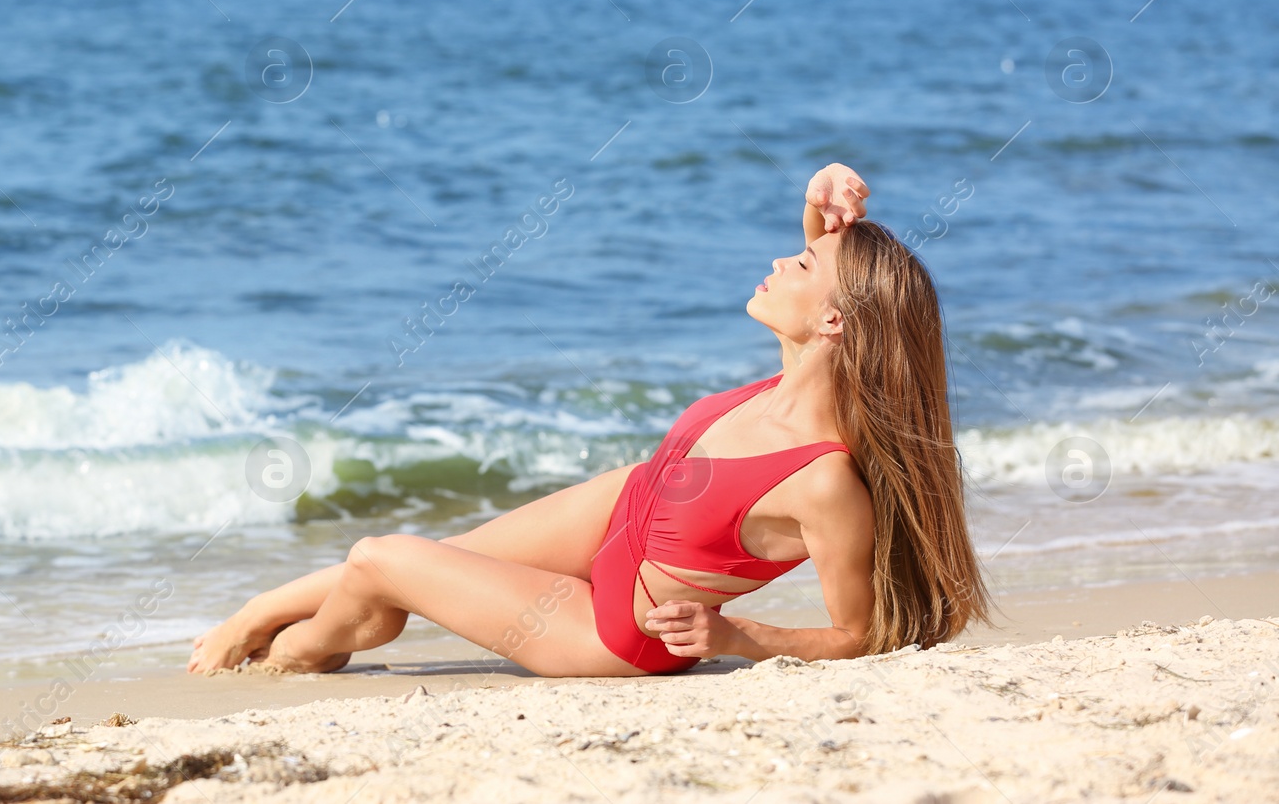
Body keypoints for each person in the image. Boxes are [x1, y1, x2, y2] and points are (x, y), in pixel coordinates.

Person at [187, 162, 989, 677]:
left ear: (837, 324)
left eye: (803, 264)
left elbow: (859, 633)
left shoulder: (822, 480)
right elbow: (831, 279)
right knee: (437, 556)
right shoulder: (791, 377)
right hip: (625, 508)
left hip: (609, 628)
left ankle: (296, 648)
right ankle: (267, 613)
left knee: (379, 558)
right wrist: (822, 195)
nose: (785, 259)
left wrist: (739, 637)